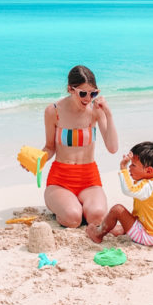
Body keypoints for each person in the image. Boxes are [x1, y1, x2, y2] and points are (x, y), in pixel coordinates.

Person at [41, 65, 118, 228]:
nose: (88, 98)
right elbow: (49, 147)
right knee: (73, 218)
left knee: (97, 216)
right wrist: (37, 160)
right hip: (60, 180)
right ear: (70, 89)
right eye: (83, 93)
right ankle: (69, 207)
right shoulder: (53, 111)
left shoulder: (96, 111)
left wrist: (108, 114)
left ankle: (78, 206)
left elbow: (112, 148)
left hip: (89, 179)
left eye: (93, 93)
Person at [86, 141, 153, 246]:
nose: (129, 168)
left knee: (117, 210)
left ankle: (98, 234)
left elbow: (129, 189)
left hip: (148, 236)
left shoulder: (146, 187)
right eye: (129, 165)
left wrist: (123, 167)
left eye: (133, 165)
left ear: (149, 171)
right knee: (125, 222)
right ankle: (117, 230)